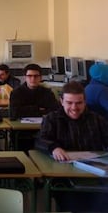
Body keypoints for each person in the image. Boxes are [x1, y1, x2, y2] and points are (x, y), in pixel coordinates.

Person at [35, 81, 108, 212]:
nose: (74, 108)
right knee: (76, 203)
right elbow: (40, 139)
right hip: (65, 179)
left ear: (85, 102)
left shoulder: (97, 119)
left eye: (79, 103)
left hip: (94, 176)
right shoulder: (52, 119)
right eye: (69, 103)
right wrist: (54, 148)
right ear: (61, 101)